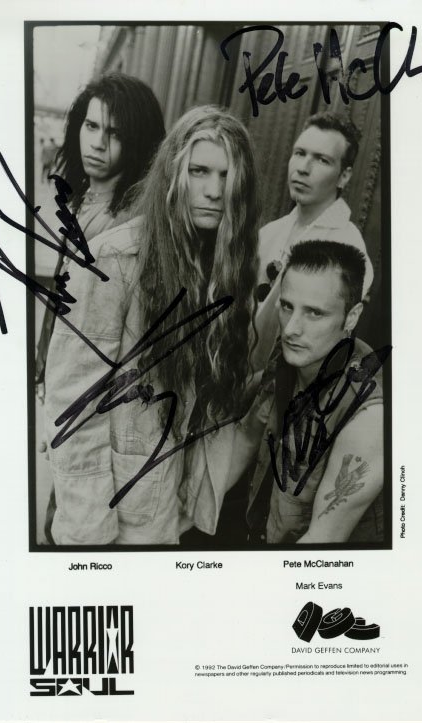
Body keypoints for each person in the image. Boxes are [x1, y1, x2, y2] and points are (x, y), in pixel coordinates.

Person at [44, 105, 259, 545]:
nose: (214, 191)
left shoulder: (226, 268)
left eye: (226, 176)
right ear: (173, 174)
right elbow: (74, 411)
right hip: (113, 523)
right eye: (199, 171)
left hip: (167, 512)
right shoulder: (114, 260)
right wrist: (92, 540)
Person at [227, 240, 385, 544]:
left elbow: (322, 540)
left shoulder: (368, 420)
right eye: (287, 306)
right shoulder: (295, 354)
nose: (290, 330)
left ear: (351, 317)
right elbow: (245, 439)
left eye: (314, 313)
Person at [35, 72, 165, 391]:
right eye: (91, 126)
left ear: (138, 142)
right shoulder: (85, 199)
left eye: (114, 133)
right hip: (57, 369)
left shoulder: (128, 223)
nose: (97, 143)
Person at [252, 112, 374, 371]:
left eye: (322, 160)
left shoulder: (347, 247)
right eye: (300, 153)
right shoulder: (270, 233)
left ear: (344, 176)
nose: (303, 168)